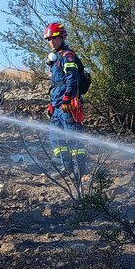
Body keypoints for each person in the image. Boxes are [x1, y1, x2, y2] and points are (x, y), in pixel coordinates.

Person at [44, 22, 87, 176]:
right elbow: (55, 84)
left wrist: (68, 97)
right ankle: (67, 167)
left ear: (62, 37)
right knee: (55, 136)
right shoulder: (55, 59)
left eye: (54, 38)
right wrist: (52, 104)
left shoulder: (67, 56)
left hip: (67, 103)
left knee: (73, 134)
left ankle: (81, 169)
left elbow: (72, 78)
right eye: (49, 39)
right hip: (57, 105)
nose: (51, 42)